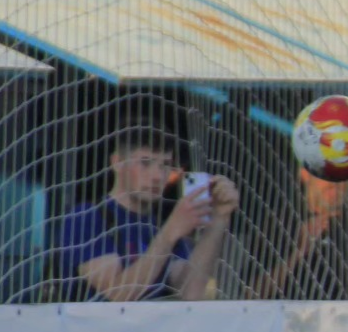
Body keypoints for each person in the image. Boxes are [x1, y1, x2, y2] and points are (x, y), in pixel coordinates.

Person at [53, 127, 238, 301]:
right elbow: (119, 294)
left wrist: (219, 219)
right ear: (117, 162)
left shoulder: (159, 226)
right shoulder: (87, 218)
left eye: (165, 165)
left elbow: (191, 293)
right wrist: (169, 233)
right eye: (145, 162)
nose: (157, 176)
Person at [243, 165, 348, 300]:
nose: (334, 181)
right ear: (305, 173)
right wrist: (299, 253)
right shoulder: (279, 226)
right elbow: (250, 294)